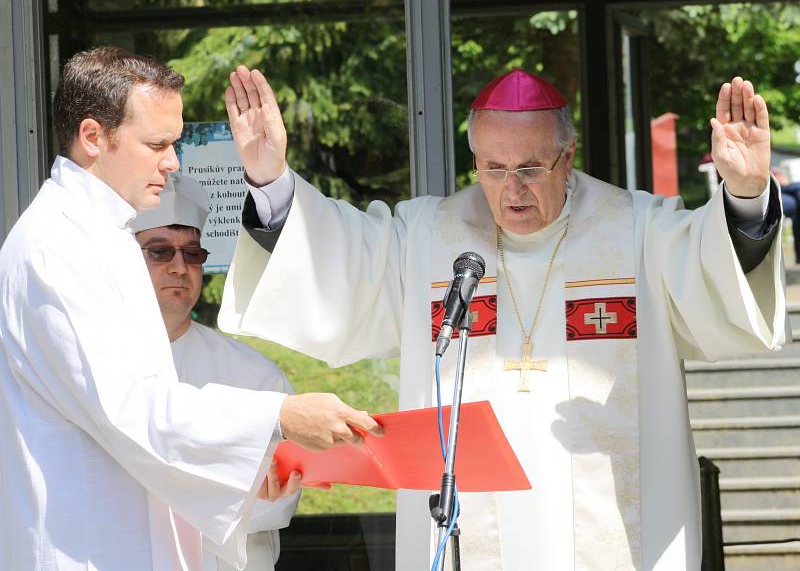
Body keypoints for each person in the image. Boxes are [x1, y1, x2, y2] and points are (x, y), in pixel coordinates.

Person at [217, 67, 786, 570]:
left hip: (612, 531)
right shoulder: (427, 237)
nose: (512, 189)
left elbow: (715, 269)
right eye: (493, 168)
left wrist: (744, 192)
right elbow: (337, 258)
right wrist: (271, 181)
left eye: (532, 167)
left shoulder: (637, 231)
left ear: (569, 156)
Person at [0, 46, 383, 571]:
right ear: (93, 137)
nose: (173, 162)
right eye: (157, 144)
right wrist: (278, 415)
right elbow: (135, 410)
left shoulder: (96, 235)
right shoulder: (56, 249)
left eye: (174, 143)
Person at [132, 175, 299, 571]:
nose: (179, 267)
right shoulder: (94, 363)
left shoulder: (257, 378)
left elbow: (280, 498)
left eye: (192, 253)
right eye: (159, 252)